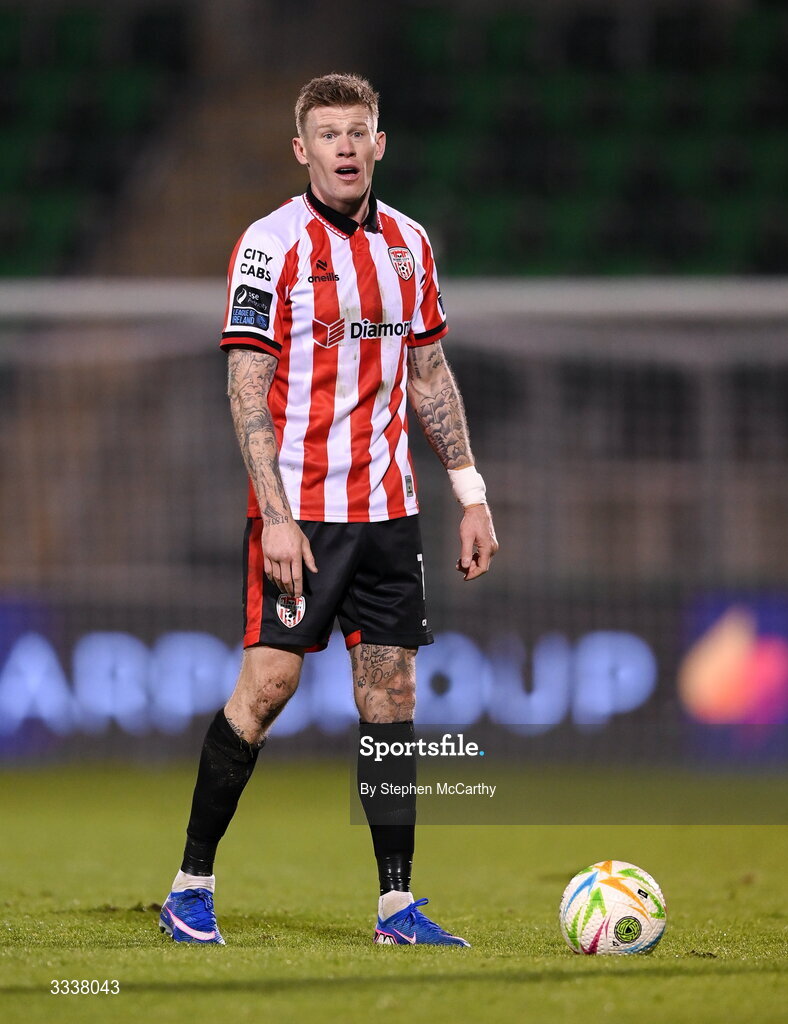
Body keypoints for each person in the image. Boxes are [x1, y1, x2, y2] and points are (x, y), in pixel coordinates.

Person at [159, 72, 498, 948]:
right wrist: (274, 514)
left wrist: (470, 495)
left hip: (389, 512)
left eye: (360, 131)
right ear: (301, 150)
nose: (345, 147)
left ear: (380, 143)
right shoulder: (271, 245)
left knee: (391, 696)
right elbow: (247, 386)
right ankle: (190, 884)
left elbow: (428, 375)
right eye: (328, 134)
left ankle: (395, 907)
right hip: (300, 514)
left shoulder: (410, 245)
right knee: (268, 687)